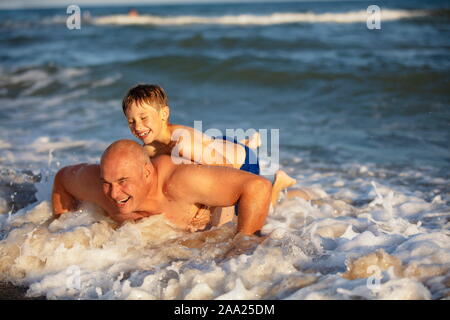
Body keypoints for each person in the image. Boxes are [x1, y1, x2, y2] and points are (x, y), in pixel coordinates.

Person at [121, 84, 302, 213]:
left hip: (241, 164)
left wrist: (207, 208)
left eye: (144, 118)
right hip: (214, 147)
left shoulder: (183, 143)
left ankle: (278, 185)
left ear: (164, 114)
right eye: (131, 121)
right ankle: (245, 143)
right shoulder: (149, 148)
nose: (138, 127)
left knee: (256, 214)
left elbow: (227, 173)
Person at [52, 140, 272, 236]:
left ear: (147, 173)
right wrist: (60, 225)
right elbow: (62, 179)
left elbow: (258, 187)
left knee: (278, 201)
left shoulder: (179, 183)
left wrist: (244, 243)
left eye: (122, 181)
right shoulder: (96, 183)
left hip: (226, 161)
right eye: (107, 183)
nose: (114, 194)